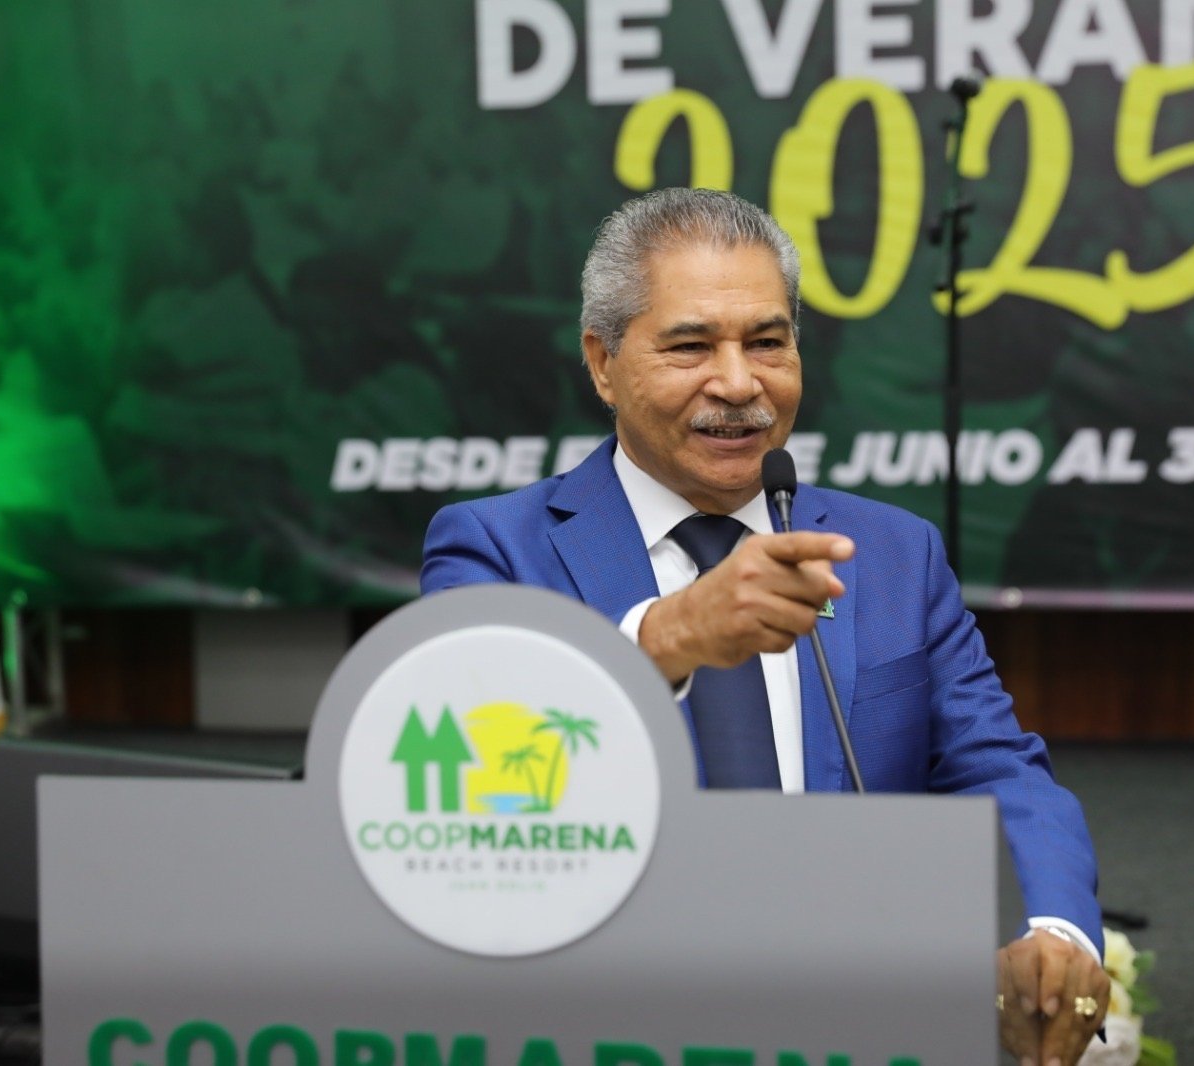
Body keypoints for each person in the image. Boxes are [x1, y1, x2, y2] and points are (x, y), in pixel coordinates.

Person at [422, 187, 1109, 1065]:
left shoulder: (893, 552)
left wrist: (1055, 931)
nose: (740, 384)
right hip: (604, 1022)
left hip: (852, 1023)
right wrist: (665, 640)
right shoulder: (496, 547)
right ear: (603, 363)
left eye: (767, 342)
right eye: (690, 345)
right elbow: (466, 778)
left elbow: (996, 767)